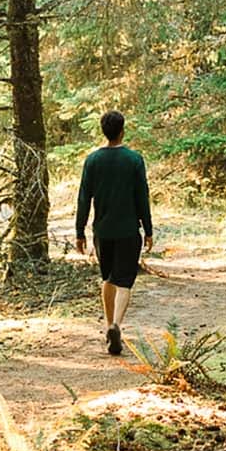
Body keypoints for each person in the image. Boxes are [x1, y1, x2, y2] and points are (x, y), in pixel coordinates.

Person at [74, 109, 153, 356]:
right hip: (129, 230)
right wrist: (148, 229)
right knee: (125, 281)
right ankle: (117, 324)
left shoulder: (93, 160)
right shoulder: (134, 160)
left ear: (103, 131)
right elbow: (142, 196)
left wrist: (80, 232)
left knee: (107, 278)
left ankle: (109, 326)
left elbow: (84, 198)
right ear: (122, 130)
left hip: (103, 231)